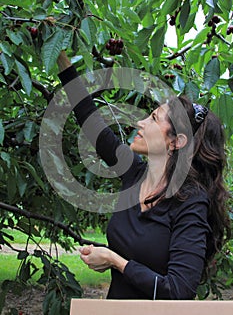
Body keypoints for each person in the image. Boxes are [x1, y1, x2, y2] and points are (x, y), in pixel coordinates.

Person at [56, 51, 230, 300]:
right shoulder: (134, 173)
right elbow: (92, 124)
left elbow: (179, 291)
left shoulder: (191, 202)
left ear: (176, 142)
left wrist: (117, 261)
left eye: (153, 119)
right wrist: (62, 60)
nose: (140, 123)